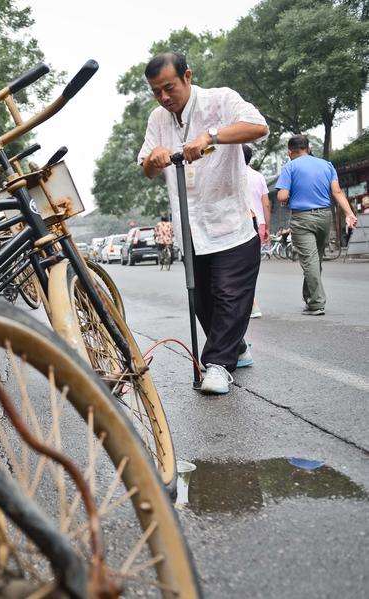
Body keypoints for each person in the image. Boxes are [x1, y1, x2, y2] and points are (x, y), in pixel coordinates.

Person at [138, 52, 269, 395]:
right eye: (156, 91)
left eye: (169, 88)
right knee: (203, 302)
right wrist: (154, 159)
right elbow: (148, 168)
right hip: (191, 228)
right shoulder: (158, 118)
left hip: (230, 221)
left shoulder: (221, 100)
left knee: (229, 295)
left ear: (187, 76)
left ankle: (218, 366)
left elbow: (258, 127)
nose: (164, 97)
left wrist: (211, 136)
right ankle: (235, 347)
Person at [275, 134, 359, 316]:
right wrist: (349, 214)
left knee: (310, 260)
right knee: (314, 259)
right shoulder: (326, 165)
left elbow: (282, 196)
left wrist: (289, 195)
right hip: (324, 217)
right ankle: (309, 297)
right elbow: (336, 191)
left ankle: (317, 303)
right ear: (309, 148)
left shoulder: (290, 166)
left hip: (302, 219)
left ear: (290, 152)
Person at [242, 144, 270, 318]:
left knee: (240, 267)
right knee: (251, 266)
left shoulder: (235, 175)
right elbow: (266, 203)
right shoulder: (258, 176)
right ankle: (249, 303)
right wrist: (266, 226)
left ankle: (250, 304)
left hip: (241, 224)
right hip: (258, 223)